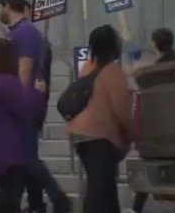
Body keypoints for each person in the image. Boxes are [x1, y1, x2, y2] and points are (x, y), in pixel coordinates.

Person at [0, 0, 69, 213]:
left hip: (24, 105)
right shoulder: (16, 33)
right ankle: (37, 203)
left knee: (27, 157)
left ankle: (59, 199)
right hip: (22, 104)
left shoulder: (25, 33)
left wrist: (16, 100)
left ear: (8, 6)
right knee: (24, 158)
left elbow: (24, 69)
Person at [0, 38, 47, 213]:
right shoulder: (6, 82)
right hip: (7, 145)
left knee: (10, 191)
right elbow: (25, 107)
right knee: (10, 192)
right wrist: (38, 93)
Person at [68, 25, 132, 213]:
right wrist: (130, 136)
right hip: (100, 137)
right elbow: (122, 112)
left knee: (105, 188)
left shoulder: (87, 67)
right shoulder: (113, 72)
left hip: (79, 133)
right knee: (100, 190)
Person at [129, 28, 175, 213]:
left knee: (147, 165)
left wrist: (138, 68)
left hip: (159, 125)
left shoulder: (159, 68)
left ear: (156, 43)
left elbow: (143, 82)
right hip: (172, 123)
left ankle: (137, 208)